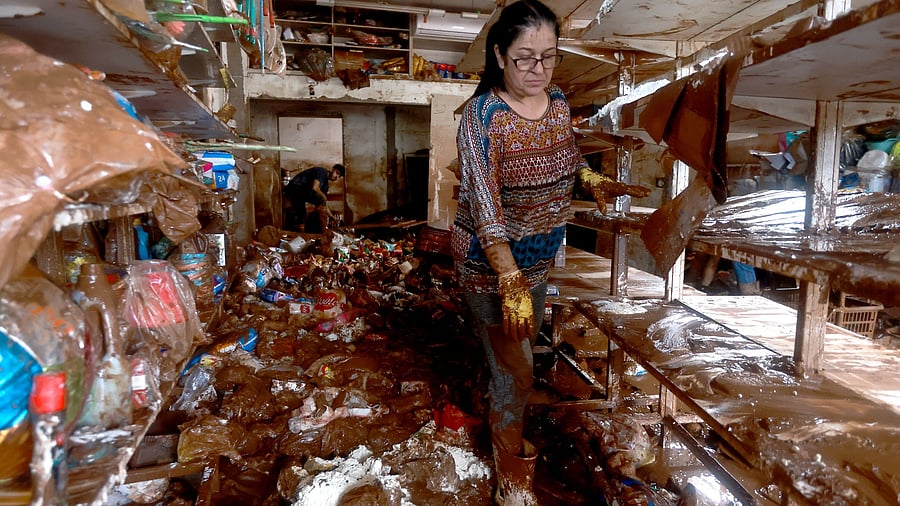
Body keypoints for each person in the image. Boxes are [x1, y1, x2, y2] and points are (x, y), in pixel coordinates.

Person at [450, 1, 587, 503]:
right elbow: (485, 208)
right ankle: (511, 482)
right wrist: (508, 277)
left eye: (549, 56)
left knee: (516, 354)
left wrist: (592, 179)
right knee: (518, 371)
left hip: (538, 261)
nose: (538, 69)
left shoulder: (559, 103)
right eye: (525, 57)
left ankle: (493, 410)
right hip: (491, 267)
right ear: (499, 55)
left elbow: (568, 159)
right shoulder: (482, 117)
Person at [284, 164, 345, 232]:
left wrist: (331, 216)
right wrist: (323, 196)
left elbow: (323, 204)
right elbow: (314, 187)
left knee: (319, 204)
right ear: (332, 169)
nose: (337, 177)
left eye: (339, 176)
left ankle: (322, 230)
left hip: (303, 193)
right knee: (301, 213)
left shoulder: (325, 186)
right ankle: (298, 233)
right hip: (295, 187)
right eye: (337, 173)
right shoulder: (321, 172)